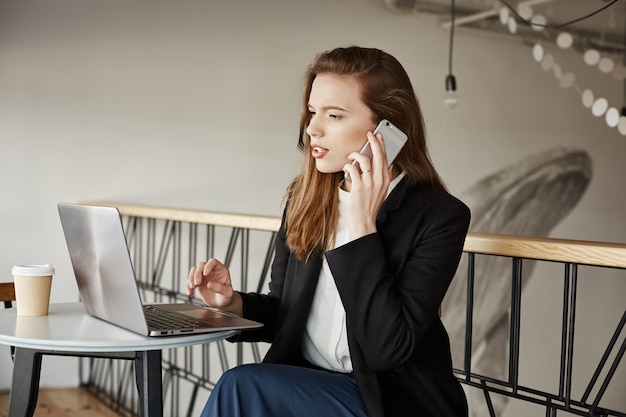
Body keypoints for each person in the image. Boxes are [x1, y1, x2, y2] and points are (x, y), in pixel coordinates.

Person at [187, 46, 471, 417]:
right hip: (311, 384)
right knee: (244, 387)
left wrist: (362, 225)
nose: (312, 129)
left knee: (239, 385)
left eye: (334, 115)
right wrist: (232, 303)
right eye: (312, 112)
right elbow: (285, 314)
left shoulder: (440, 217)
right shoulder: (303, 198)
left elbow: (387, 349)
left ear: (386, 130)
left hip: (389, 400)